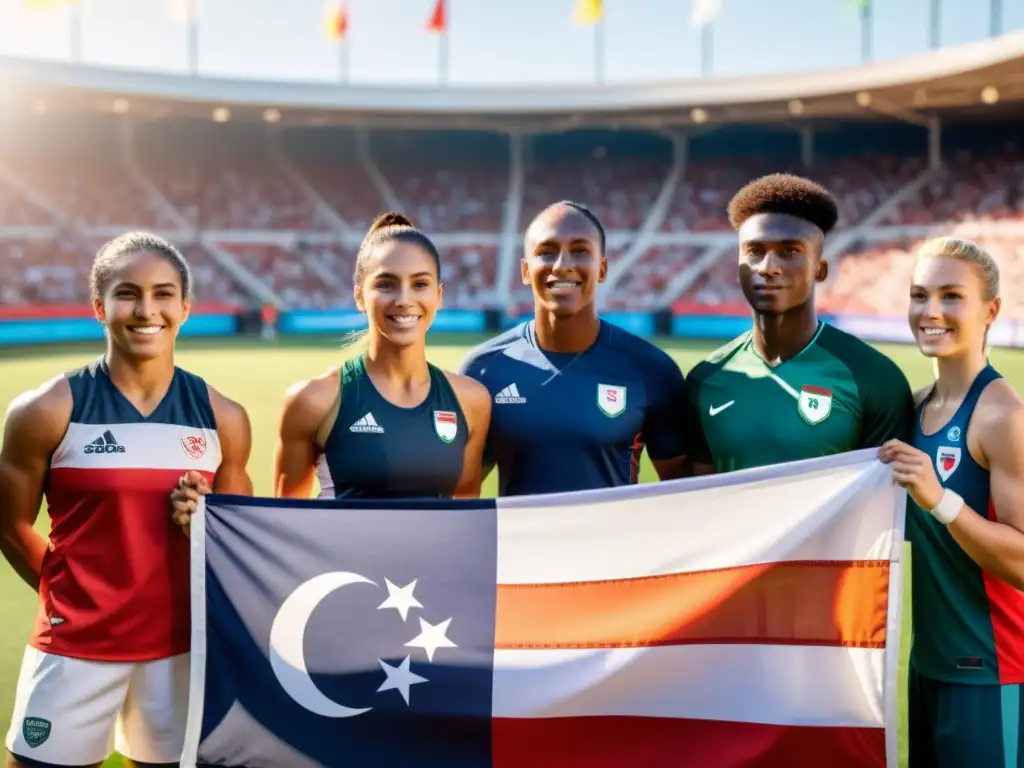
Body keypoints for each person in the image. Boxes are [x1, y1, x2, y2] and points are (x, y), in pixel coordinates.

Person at [0, 233, 252, 768]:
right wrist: (66, 595)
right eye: (127, 293)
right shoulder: (44, 410)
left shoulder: (223, 417)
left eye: (163, 294)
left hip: (181, 649)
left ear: (185, 307)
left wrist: (204, 519)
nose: (146, 310)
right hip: (73, 647)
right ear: (100, 306)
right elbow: (9, 524)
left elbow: (240, 542)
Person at [171, 212, 491, 519]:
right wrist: (204, 514)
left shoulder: (470, 401)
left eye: (419, 284)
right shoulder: (314, 401)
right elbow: (283, 524)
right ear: (359, 296)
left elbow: (464, 521)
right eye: (385, 284)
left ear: (439, 295)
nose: (404, 299)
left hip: (430, 576)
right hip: (349, 577)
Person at [878, 237, 1024, 768]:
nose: (930, 311)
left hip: (991, 670)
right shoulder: (914, 407)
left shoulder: (1004, 416)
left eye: (950, 296)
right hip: (929, 666)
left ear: (991, 310)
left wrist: (942, 501)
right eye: (919, 295)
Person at [458, 200, 705, 496]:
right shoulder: (483, 370)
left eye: (580, 251)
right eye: (547, 252)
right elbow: (463, 495)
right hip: (521, 544)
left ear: (602, 269)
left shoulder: (652, 369)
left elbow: (683, 494)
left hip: (611, 544)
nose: (562, 265)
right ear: (525, 271)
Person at [685, 173, 915, 473]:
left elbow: (887, 503)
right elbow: (699, 500)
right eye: (755, 252)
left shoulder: (875, 379)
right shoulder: (705, 380)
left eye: (789, 252)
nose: (767, 268)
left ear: (820, 270)